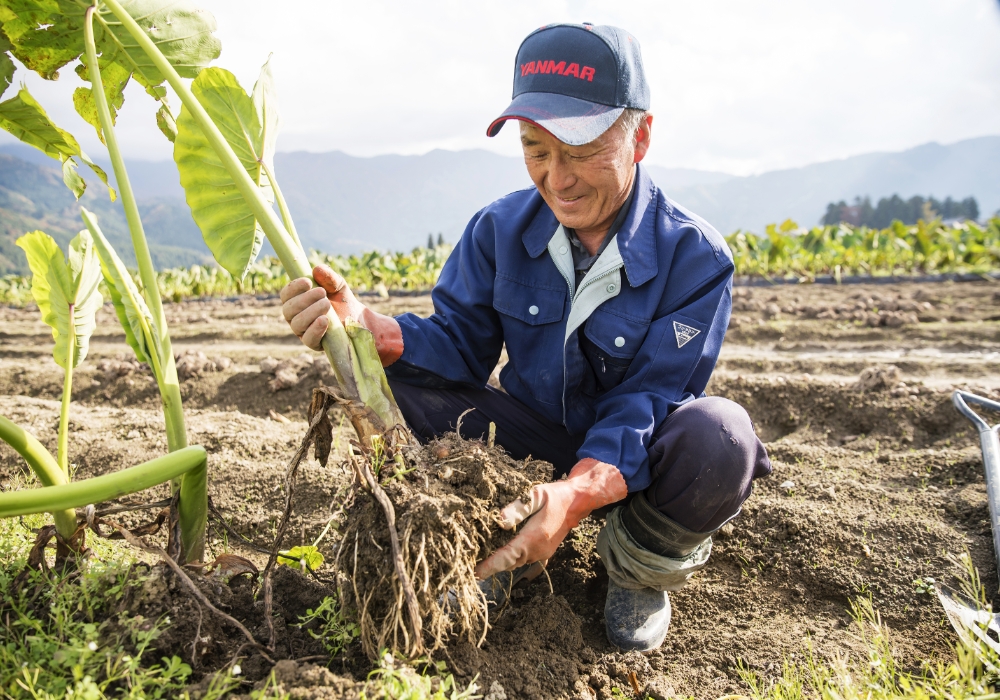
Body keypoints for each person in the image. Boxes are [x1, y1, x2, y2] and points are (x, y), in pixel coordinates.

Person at [280, 22, 771, 652]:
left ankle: (637, 566)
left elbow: (646, 398)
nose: (558, 178)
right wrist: (372, 333)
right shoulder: (498, 229)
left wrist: (577, 494)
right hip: (531, 447)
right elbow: (459, 345)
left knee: (721, 437)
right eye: (536, 149)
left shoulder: (695, 257)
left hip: (636, 462)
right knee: (394, 385)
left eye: (581, 149)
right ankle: (495, 533)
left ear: (640, 134)